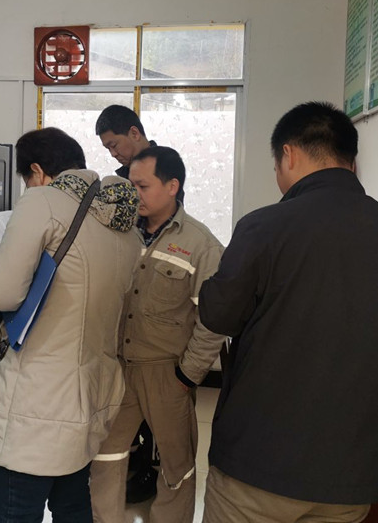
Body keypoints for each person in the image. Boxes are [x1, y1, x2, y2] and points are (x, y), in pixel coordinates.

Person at [198, 102, 378, 523]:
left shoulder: (264, 227)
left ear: (289, 155)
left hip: (260, 465)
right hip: (352, 473)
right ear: (351, 161)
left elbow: (219, 315)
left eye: (276, 166)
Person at [0, 127, 142, 522]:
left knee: (17, 512)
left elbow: (3, 294)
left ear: (37, 171)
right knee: (72, 506)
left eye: (26, 179)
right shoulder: (122, 225)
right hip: (88, 397)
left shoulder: (43, 201)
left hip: (37, 405)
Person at [90, 146, 225, 523]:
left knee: (176, 466)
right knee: (105, 456)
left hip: (167, 373)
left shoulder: (201, 245)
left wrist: (188, 375)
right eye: (131, 185)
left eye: (143, 186)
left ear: (172, 186)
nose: (134, 194)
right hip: (118, 368)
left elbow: (213, 320)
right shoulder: (119, 234)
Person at [96, 104, 155, 180]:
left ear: (134, 134)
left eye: (114, 145)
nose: (113, 154)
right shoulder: (122, 181)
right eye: (108, 148)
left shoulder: (167, 170)